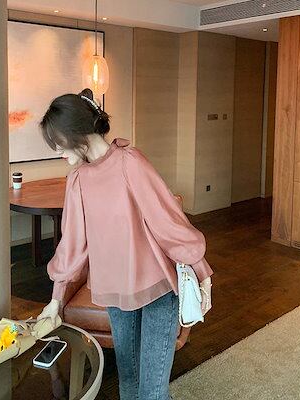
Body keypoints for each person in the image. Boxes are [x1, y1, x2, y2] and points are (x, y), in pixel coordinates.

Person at [37, 88, 213, 400]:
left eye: (58, 143)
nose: (58, 151)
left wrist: (202, 273)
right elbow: (72, 244)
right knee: (128, 383)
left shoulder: (130, 162)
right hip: (115, 292)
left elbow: (168, 222)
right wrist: (56, 299)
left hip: (158, 289)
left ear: (76, 131)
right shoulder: (77, 180)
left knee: (152, 392)